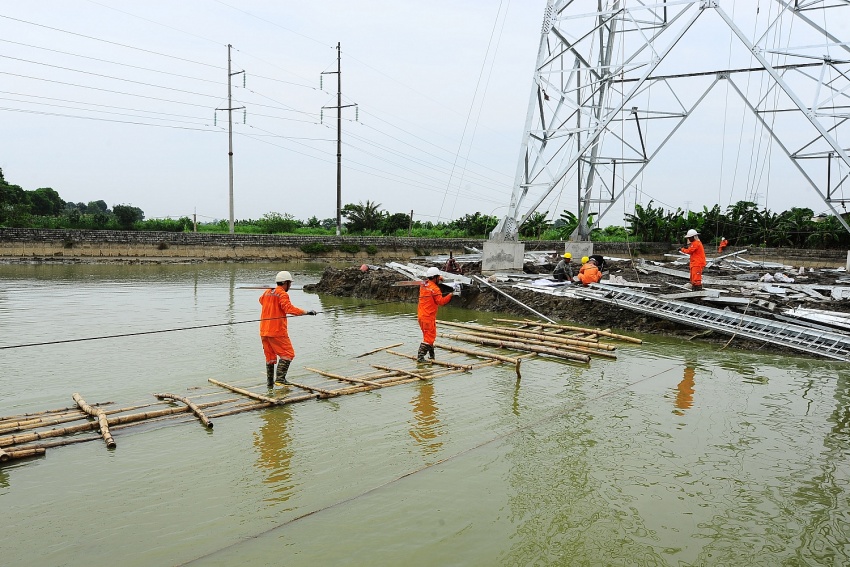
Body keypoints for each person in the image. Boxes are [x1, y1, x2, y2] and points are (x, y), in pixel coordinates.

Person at [259, 270, 316, 387]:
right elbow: (289, 309)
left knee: (270, 357)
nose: (290, 285)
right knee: (288, 354)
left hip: (264, 331)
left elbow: (261, 301)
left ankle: (270, 384)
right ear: (285, 283)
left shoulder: (267, 292)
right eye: (289, 283)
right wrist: (306, 312)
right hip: (277, 331)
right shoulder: (282, 294)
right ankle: (280, 379)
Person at [417, 266, 453, 362]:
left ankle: (431, 355)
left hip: (421, 316)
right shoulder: (435, 289)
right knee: (430, 338)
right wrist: (450, 295)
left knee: (428, 336)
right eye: (438, 277)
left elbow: (430, 282)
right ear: (435, 277)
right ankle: (420, 357)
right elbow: (441, 302)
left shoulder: (423, 285)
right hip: (428, 317)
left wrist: (439, 277)